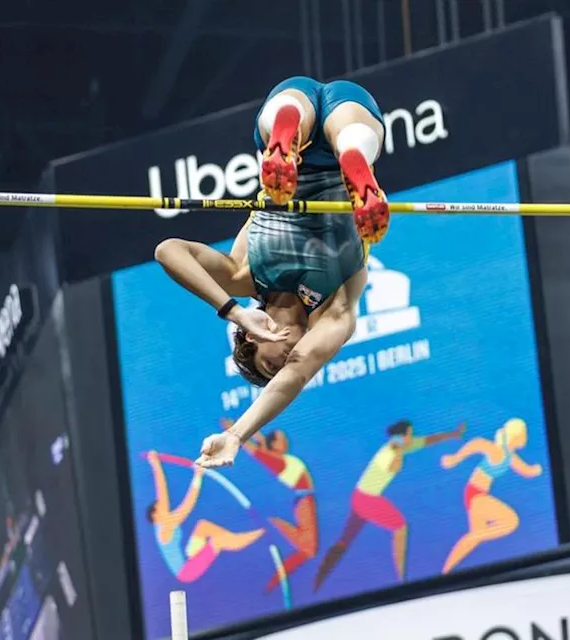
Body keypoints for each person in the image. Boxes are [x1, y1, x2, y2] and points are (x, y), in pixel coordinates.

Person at [154, 77, 392, 469]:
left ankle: (286, 136)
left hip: (291, 149)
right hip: (338, 157)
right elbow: (297, 375)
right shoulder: (335, 309)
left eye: (269, 364)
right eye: (279, 368)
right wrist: (235, 437)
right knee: (354, 138)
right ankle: (355, 166)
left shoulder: (244, 275)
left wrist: (234, 309)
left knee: (285, 116)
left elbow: (168, 251)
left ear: (250, 337)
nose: (283, 362)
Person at [313, 419, 466, 591]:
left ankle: (320, 576)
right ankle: (401, 578)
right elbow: (395, 467)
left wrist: (454, 434)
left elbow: (430, 439)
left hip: (359, 496)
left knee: (344, 542)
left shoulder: (402, 445)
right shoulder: (388, 454)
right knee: (400, 528)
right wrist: (399, 449)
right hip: (367, 500)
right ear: (402, 436)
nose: (412, 436)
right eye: (410, 434)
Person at [221, 420, 318, 593]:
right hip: (304, 500)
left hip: (304, 499)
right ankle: (276, 525)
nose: (286, 442)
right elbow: (253, 449)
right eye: (282, 439)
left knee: (307, 549)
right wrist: (234, 432)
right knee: (309, 550)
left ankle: (277, 576)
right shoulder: (275, 461)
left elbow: (261, 442)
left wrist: (243, 428)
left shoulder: (278, 457)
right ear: (275, 445)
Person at [439, 419, 544, 574]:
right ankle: (446, 571)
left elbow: (525, 470)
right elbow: (478, 443)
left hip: (476, 494)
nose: (526, 437)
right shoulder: (498, 452)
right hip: (476, 494)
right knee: (510, 521)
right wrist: (455, 458)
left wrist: (536, 470)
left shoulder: (510, 456)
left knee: (475, 536)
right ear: (517, 436)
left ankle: (445, 572)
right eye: (524, 434)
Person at [144, 451, 264, 583]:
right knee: (218, 542)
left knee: (203, 526)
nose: (165, 505)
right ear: (155, 515)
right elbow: (180, 502)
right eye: (161, 506)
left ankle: (235, 540)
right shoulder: (164, 527)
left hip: (189, 557)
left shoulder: (166, 522)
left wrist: (156, 465)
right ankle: (258, 534)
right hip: (186, 572)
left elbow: (173, 497)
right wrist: (156, 464)